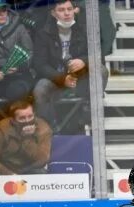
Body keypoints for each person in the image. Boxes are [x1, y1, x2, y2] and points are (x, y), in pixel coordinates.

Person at [32, 0, 103, 130]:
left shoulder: (83, 29)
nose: (67, 13)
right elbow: (40, 64)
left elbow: (97, 55)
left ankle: (87, 112)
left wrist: (83, 61)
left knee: (101, 70)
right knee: (40, 88)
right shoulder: (43, 33)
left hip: (78, 77)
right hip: (55, 77)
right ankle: (47, 128)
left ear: (74, 11)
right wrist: (61, 78)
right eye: (61, 10)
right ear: (53, 13)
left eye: (69, 9)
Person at [0, 0, 34, 123]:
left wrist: (19, 66)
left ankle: (19, 128)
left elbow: (29, 52)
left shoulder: (19, 27)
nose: (2, 14)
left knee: (17, 92)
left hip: (18, 75)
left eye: (4, 10)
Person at [0, 100, 52, 175]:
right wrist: (10, 174)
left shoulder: (43, 128)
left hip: (32, 168)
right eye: (22, 118)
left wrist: (27, 138)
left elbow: (42, 159)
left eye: (30, 116)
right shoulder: (2, 128)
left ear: (34, 114)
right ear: (13, 120)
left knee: (41, 173)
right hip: (6, 168)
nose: (27, 121)